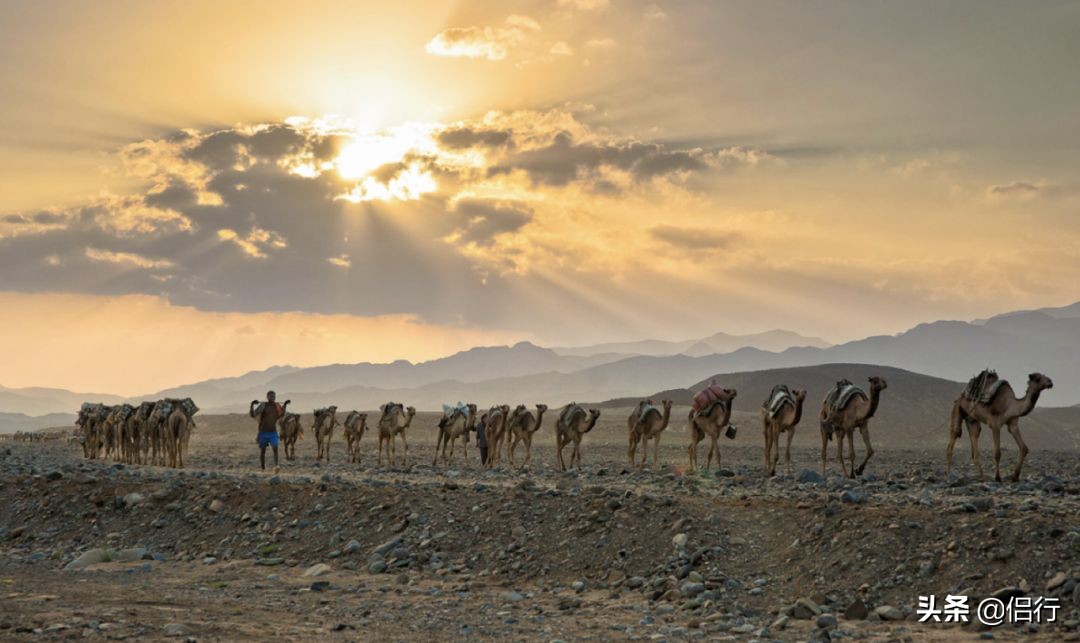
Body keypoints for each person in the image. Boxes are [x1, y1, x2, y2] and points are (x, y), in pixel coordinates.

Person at [250, 391, 287, 470]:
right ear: (267, 397)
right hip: (263, 432)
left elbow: (282, 414)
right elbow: (253, 414)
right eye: (271, 396)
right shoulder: (263, 405)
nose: (272, 398)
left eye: (274, 396)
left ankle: (276, 466)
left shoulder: (277, 406)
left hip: (273, 432)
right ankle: (263, 468)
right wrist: (252, 405)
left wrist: (285, 405)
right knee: (263, 451)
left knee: (275, 448)